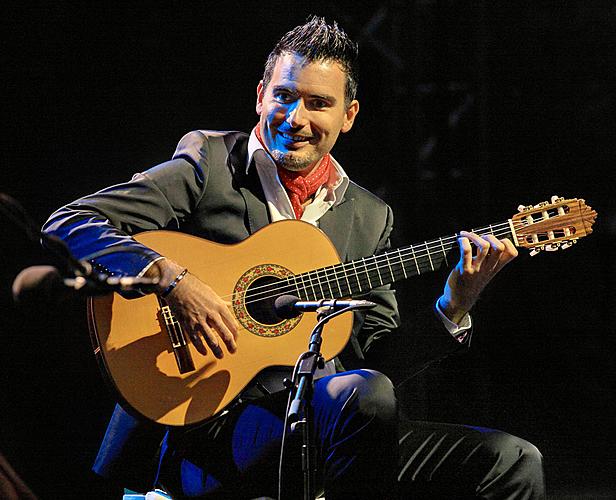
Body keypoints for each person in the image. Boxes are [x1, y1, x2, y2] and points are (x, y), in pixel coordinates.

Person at [43, 16, 545, 499]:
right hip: (209, 427)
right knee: (361, 397)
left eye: (317, 103)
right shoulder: (210, 163)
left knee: (511, 460)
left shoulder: (368, 216)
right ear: (261, 96)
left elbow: (378, 363)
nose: (296, 117)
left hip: (328, 424)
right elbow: (69, 223)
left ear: (347, 116)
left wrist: (453, 307)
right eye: (284, 96)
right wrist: (172, 280)